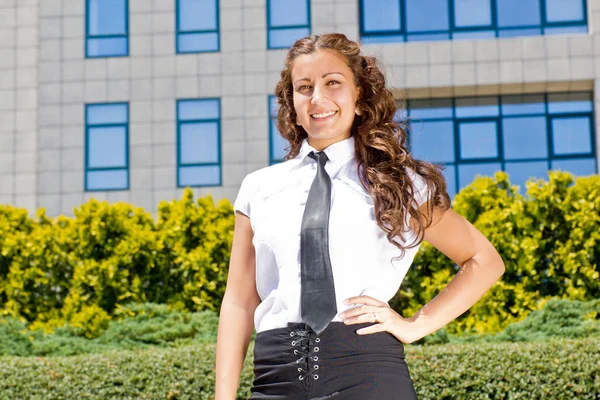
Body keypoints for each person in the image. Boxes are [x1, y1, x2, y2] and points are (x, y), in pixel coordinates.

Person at [215, 33, 505, 400]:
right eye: (304, 87)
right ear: (292, 101)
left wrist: (416, 325)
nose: (317, 98)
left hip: (368, 375)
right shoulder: (259, 188)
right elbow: (239, 301)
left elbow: (484, 260)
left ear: (359, 96)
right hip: (275, 379)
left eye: (332, 83)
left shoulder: (400, 183)